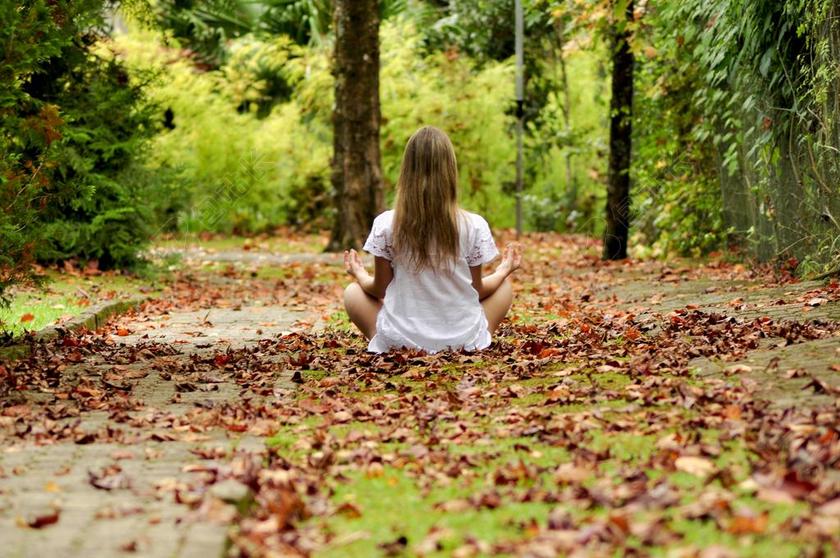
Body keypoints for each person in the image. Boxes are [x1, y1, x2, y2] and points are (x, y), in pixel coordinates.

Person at [342, 126, 522, 353]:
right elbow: (477, 290)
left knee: (352, 292)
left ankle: (391, 343)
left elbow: (379, 290)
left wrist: (358, 273)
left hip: (402, 341)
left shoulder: (386, 224)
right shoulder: (473, 225)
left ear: (407, 171)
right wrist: (504, 270)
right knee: (503, 287)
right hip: (461, 342)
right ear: (450, 171)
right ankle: (473, 341)